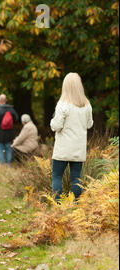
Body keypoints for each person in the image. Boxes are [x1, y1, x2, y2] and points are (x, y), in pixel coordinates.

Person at [50, 72, 93, 201]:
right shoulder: (86, 105)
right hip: (78, 149)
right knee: (76, 178)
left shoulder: (62, 104)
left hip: (63, 149)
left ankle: (58, 206)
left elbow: (56, 126)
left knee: (57, 177)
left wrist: (52, 121)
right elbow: (89, 124)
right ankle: (76, 207)